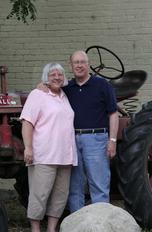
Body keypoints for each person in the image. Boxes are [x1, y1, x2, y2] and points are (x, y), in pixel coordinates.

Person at [37, 51, 118, 214]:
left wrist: (113, 140)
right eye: (76, 62)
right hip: (71, 141)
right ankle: (77, 225)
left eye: (82, 62)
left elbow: (113, 113)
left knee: (99, 185)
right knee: (74, 186)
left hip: (96, 139)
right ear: (70, 66)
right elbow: (50, 90)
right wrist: (41, 85)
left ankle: (100, 224)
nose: (79, 65)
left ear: (89, 64)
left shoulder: (102, 85)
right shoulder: (67, 88)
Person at [20, 62, 78, 232]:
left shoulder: (65, 96)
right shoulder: (37, 95)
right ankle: (35, 229)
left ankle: (51, 229)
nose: (57, 77)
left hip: (65, 156)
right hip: (44, 155)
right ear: (46, 78)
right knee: (40, 194)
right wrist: (28, 148)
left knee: (60, 196)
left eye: (59, 74)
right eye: (52, 75)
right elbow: (27, 122)